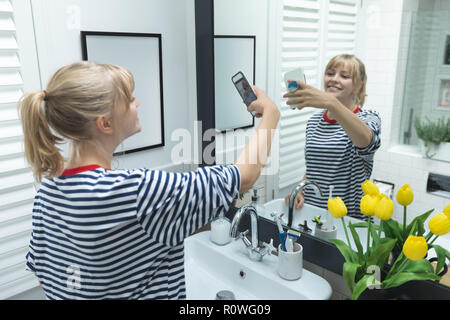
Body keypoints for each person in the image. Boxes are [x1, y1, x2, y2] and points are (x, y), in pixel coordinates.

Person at [19, 61, 280, 299]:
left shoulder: (47, 192)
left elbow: (46, 277)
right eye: (130, 99)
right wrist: (270, 114)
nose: (138, 103)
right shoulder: (139, 194)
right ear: (105, 123)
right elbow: (245, 176)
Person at [284, 54, 381, 220]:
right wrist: (300, 189)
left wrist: (331, 103)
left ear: (358, 86)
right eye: (330, 73)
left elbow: (366, 141)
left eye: (344, 76)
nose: (334, 79)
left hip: (349, 223)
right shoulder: (314, 121)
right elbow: (317, 167)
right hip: (313, 216)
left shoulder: (369, 118)